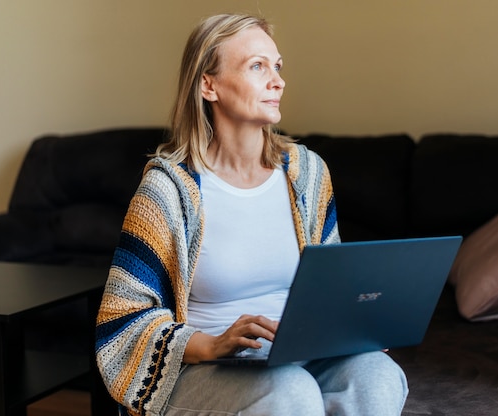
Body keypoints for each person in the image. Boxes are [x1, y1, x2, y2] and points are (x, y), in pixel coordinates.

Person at [95, 13, 408, 416]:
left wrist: (351, 327)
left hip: (301, 353)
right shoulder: (170, 189)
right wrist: (212, 344)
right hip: (207, 366)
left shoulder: (308, 173)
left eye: (277, 66)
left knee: (377, 374)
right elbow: (123, 320)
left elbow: (332, 283)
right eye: (257, 66)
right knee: (289, 389)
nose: (278, 81)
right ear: (209, 85)